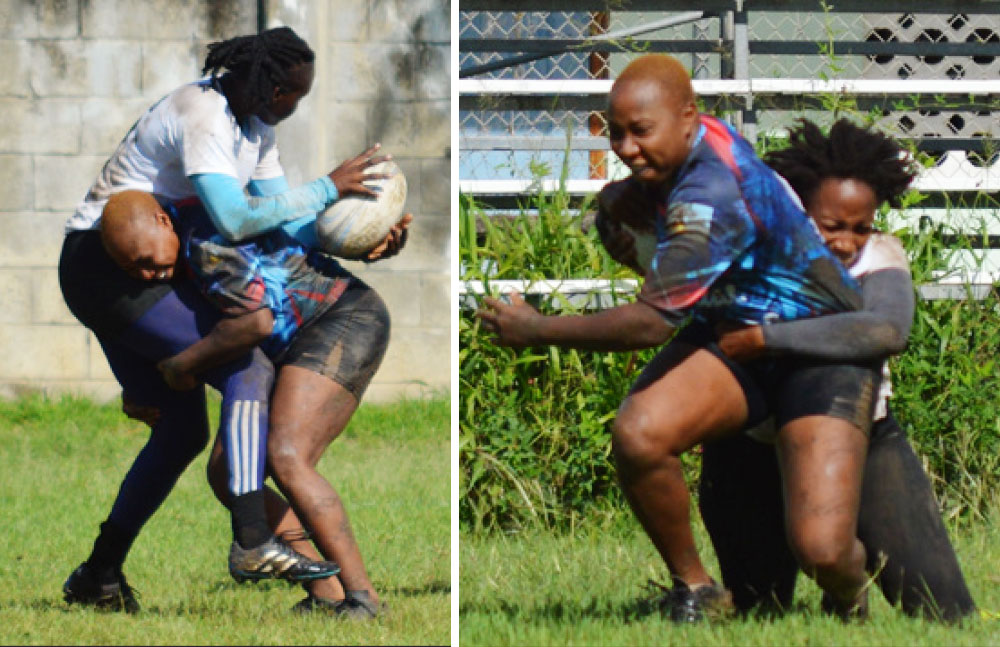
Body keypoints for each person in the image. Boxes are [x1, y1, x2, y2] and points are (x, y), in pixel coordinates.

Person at [477, 53, 880, 622]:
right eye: (615, 133)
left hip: (814, 348)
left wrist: (536, 329)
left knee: (822, 550)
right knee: (640, 433)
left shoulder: (711, 192)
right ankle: (696, 590)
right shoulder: (691, 150)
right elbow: (645, 227)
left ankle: (853, 603)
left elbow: (650, 323)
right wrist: (623, 209)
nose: (625, 147)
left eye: (641, 132)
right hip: (737, 335)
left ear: (688, 118)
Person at [58, 27, 406, 616]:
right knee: (247, 360)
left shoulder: (254, 127)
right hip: (113, 263)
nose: (295, 106)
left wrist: (357, 240)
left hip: (153, 261)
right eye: (292, 93)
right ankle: (253, 539)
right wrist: (328, 185)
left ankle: (99, 574)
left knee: (184, 433)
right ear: (266, 86)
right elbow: (236, 219)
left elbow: (278, 226)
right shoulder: (206, 117)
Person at [698, 118, 975, 621]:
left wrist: (768, 339)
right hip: (751, 446)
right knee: (761, 610)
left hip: (862, 435)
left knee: (945, 613)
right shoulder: (757, 252)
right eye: (831, 226)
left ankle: (850, 589)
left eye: (860, 226)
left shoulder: (880, 255)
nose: (847, 242)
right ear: (798, 212)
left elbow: (886, 330)